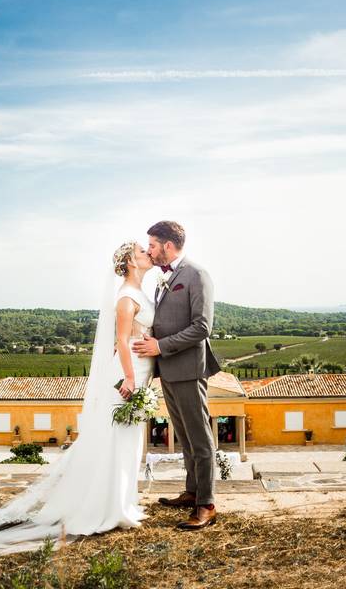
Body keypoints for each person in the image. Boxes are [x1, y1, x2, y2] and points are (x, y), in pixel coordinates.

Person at [0, 241, 155, 557]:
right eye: (143, 251)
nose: (149, 253)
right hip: (128, 372)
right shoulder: (126, 297)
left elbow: (138, 334)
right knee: (115, 437)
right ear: (131, 262)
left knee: (127, 438)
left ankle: (122, 501)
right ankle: (108, 507)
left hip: (141, 366)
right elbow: (120, 338)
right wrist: (129, 378)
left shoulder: (142, 292)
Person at [133, 220, 220, 530]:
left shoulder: (197, 276)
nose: (150, 250)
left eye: (153, 245)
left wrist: (160, 346)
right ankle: (192, 491)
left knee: (200, 439)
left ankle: (206, 505)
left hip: (188, 368)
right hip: (167, 370)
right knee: (184, 437)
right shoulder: (163, 278)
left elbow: (202, 328)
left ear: (167, 246)